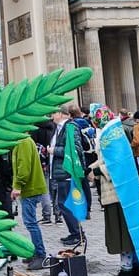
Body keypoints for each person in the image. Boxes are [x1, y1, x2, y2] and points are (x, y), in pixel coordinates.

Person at [87, 106, 139, 276]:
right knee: (128, 231)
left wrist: (96, 171)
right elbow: (106, 158)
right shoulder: (113, 132)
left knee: (122, 233)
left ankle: (126, 271)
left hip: (117, 193)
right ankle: (135, 268)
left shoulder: (111, 136)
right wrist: (92, 167)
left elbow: (116, 163)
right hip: (122, 191)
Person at [49, 105, 86, 245]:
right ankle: (75, 232)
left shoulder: (70, 127)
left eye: (53, 113)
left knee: (65, 204)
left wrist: (54, 150)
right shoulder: (59, 129)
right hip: (61, 171)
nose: (51, 116)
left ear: (61, 113)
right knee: (64, 203)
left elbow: (75, 149)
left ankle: (77, 234)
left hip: (67, 172)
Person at [10, 136, 48, 271]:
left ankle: (40, 255)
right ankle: (36, 253)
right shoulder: (23, 141)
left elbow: (24, 167)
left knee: (31, 223)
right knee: (30, 222)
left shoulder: (23, 142)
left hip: (30, 189)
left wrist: (18, 186)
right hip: (30, 188)